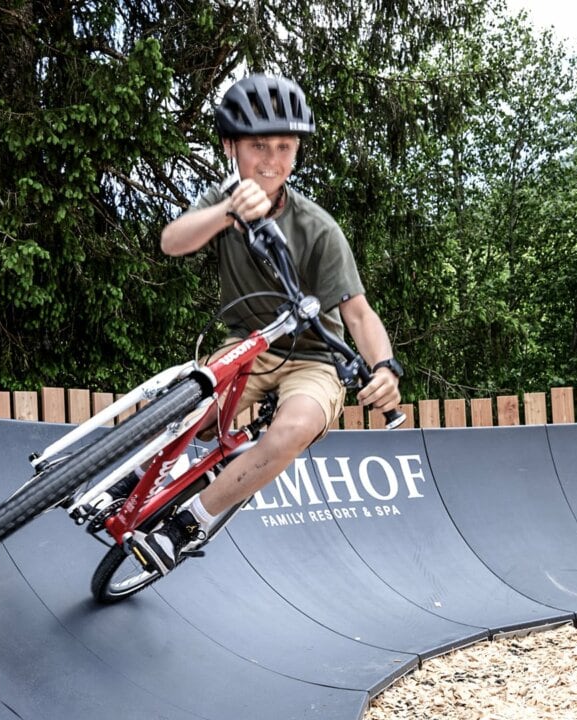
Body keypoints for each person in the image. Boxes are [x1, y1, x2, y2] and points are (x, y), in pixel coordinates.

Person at [127, 73, 404, 575]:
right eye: (258, 146)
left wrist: (384, 367)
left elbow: (358, 312)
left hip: (313, 360)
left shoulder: (317, 228)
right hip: (249, 345)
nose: (272, 160)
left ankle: (187, 525)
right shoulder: (221, 200)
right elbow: (172, 242)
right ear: (231, 146)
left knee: (291, 429)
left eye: (284, 146)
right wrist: (227, 213)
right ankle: (149, 473)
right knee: (189, 406)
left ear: (297, 152)